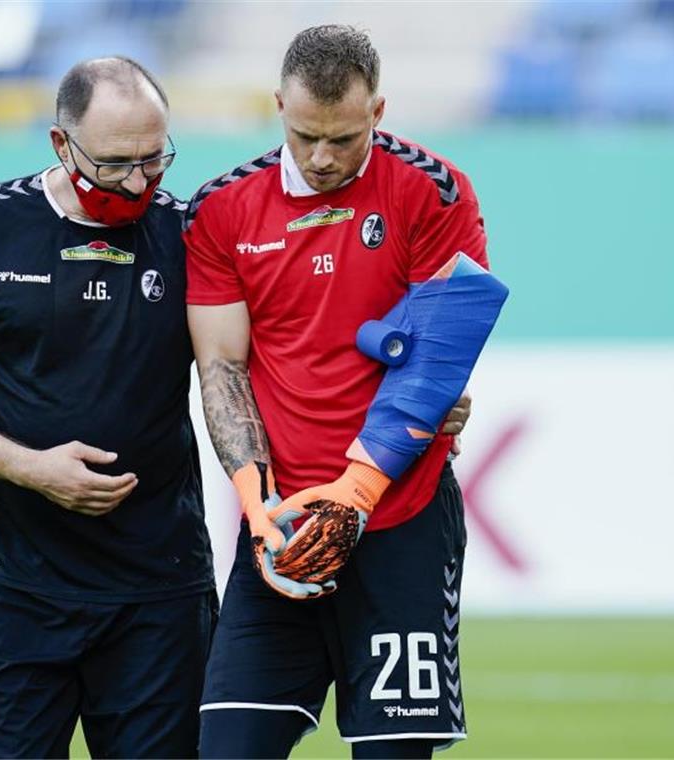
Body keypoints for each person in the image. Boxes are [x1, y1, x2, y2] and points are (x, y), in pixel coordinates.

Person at [0, 56, 217, 759]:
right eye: (115, 162)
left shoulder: (192, 236)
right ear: (61, 145)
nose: (137, 182)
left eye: (154, 160)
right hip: (13, 587)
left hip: (158, 590)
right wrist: (32, 468)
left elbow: (252, 370)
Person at [184, 25, 491, 758]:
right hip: (281, 535)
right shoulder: (221, 210)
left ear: (378, 112)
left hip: (401, 527)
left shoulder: (432, 189)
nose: (321, 157)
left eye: (345, 139)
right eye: (303, 135)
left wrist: (352, 496)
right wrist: (257, 502)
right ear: (277, 107)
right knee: (227, 748)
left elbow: (440, 360)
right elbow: (221, 369)